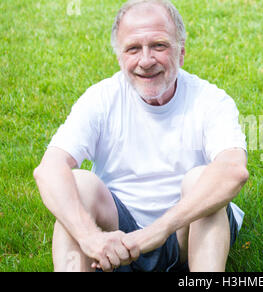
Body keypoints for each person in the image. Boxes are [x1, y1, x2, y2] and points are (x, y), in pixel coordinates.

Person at [33, 0, 248, 272]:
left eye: (159, 45)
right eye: (133, 48)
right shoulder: (101, 98)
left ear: (181, 53)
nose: (146, 61)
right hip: (114, 239)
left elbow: (233, 171)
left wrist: (159, 230)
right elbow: (48, 170)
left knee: (203, 181)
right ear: (120, 57)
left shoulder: (210, 101)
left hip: (183, 236)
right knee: (78, 184)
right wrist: (90, 237)